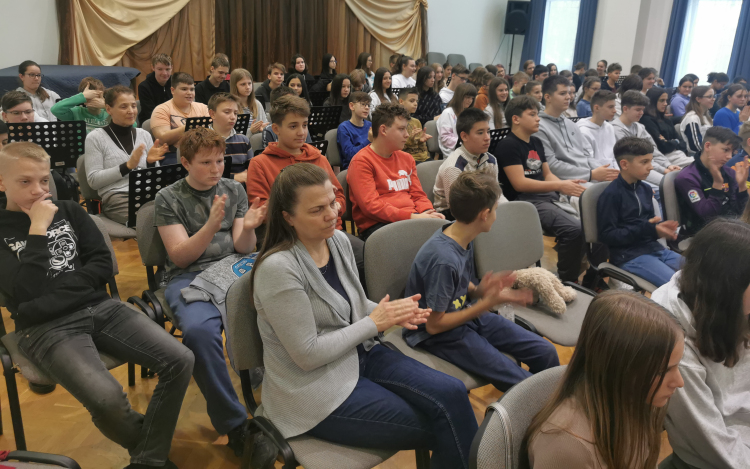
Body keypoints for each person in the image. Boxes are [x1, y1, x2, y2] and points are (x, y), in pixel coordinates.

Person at [250, 162, 478, 469]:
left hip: (358, 354)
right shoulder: (278, 269)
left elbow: (354, 305)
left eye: (332, 202)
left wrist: (392, 313)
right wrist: (375, 321)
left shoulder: (337, 241)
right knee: (442, 421)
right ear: (288, 217)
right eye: (317, 210)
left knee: (453, 394)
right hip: (311, 389)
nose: (332, 214)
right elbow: (307, 355)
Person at [0, 141, 194, 469]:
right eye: (25, 181)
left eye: (44, 180)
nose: (38, 190)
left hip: (101, 308)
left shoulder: (70, 210)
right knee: (107, 400)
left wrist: (50, 294)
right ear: (2, 182)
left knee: (181, 359)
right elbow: (23, 289)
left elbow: (102, 264)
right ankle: (153, 453)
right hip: (44, 328)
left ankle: (147, 459)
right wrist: (37, 229)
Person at [156, 127, 266, 456]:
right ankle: (233, 424)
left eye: (220, 161)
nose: (216, 169)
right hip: (188, 276)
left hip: (234, 267)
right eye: (206, 162)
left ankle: (293, 388)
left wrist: (249, 228)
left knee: (287, 296)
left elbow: (243, 248)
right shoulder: (168, 198)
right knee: (199, 333)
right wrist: (209, 226)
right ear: (186, 163)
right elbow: (180, 257)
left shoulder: (234, 189)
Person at [408, 170, 559, 390]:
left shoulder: (461, 235)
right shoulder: (444, 259)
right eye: (496, 209)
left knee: (546, 352)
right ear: (485, 214)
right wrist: (484, 304)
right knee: (522, 383)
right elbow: (433, 326)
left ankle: (542, 403)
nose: (496, 215)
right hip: (439, 334)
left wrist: (479, 290)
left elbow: (457, 282)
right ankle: (531, 406)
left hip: (463, 314)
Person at [525, 290, 684, 469]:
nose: (679, 382)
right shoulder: (566, 446)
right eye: (663, 371)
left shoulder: (639, 402)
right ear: (619, 369)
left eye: (677, 366)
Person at [651, 218, 750, 468]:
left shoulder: (727, 305)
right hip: (718, 454)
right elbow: (713, 443)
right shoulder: (678, 350)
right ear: (727, 291)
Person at [496, 95, 588, 283]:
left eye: (537, 114)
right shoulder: (508, 145)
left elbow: (547, 174)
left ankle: (591, 276)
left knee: (594, 221)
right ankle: (567, 281)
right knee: (574, 230)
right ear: (516, 119)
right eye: (532, 115)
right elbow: (520, 184)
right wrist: (560, 185)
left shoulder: (536, 142)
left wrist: (566, 187)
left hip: (547, 197)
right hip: (525, 201)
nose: (538, 119)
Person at [347, 102, 444, 241]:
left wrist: (428, 212)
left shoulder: (407, 158)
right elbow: (372, 207)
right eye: (401, 129)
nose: (407, 135)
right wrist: (413, 217)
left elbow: (418, 195)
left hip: (412, 219)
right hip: (379, 226)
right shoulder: (361, 162)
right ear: (383, 130)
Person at [597, 137, 683, 287]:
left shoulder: (645, 189)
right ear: (624, 164)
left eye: (650, 161)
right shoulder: (611, 195)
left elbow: (647, 226)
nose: (651, 167)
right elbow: (607, 235)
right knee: (677, 287)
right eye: (644, 162)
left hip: (654, 249)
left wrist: (658, 230)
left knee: (700, 273)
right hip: (629, 255)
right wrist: (648, 228)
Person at [84, 86, 168, 226]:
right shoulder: (95, 138)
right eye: (124, 106)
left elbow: (156, 179)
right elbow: (93, 180)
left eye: (133, 106)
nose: (131, 111)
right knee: (153, 223)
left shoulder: (144, 134)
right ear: (109, 109)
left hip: (148, 193)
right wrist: (127, 166)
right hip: (118, 197)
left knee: (176, 216)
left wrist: (150, 164)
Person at [537, 76, 618, 183]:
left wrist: (606, 172)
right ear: (548, 97)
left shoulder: (571, 124)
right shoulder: (539, 127)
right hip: (567, 182)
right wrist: (591, 175)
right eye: (562, 93)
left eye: (569, 93)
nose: (568, 97)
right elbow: (551, 165)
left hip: (587, 177)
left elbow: (586, 156)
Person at [674, 126, 747, 237]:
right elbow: (707, 217)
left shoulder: (729, 172)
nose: (729, 156)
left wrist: (742, 188)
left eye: (732, 152)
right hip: (705, 234)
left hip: (731, 226)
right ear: (708, 146)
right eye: (726, 150)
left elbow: (739, 210)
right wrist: (717, 185)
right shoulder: (687, 177)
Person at [433, 108, 498, 218]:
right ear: (464, 136)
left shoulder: (491, 160)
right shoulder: (454, 167)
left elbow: (495, 195)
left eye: (488, 131)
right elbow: (457, 208)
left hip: (482, 208)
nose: (487, 138)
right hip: (452, 215)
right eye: (480, 133)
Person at [613, 90, 682, 178]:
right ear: (625, 109)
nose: (641, 113)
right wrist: (663, 170)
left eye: (642, 109)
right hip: (633, 171)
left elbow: (653, 150)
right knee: (667, 182)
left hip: (649, 166)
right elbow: (636, 158)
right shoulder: (616, 129)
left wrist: (668, 165)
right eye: (638, 110)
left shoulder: (640, 127)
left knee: (677, 177)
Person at [150, 72, 210, 164]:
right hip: (171, 156)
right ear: (173, 90)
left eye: (192, 89)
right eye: (184, 89)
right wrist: (190, 126)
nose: (189, 93)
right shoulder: (161, 109)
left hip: (201, 152)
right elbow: (162, 139)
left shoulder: (203, 108)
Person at [207, 93, 252, 183]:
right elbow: (201, 174)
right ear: (212, 114)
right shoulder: (202, 141)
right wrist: (232, 178)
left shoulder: (244, 140)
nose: (233, 117)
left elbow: (251, 169)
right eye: (227, 112)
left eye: (235, 113)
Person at [642, 87, 691, 165]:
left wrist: (672, 142)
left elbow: (682, 143)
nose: (666, 104)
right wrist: (676, 141)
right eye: (662, 100)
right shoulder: (647, 120)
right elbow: (662, 146)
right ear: (652, 101)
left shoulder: (666, 119)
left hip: (678, 154)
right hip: (663, 158)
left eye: (666, 100)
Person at [577, 90, 619, 171]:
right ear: (596, 108)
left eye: (614, 107)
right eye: (610, 107)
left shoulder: (609, 127)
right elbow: (589, 162)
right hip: (596, 174)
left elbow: (614, 156)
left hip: (613, 173)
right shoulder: (583, 131)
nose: (615, 110)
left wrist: (618, 172)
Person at [436, 83, 477, 158]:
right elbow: (445, 138)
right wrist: (466, 143)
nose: (470, 101)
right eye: (468, 97)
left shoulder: (470, 113)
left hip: (469, 150)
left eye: (472, 98)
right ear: (459, 97)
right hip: (453, 154)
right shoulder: (448, 113)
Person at [336, 91, 372, 170]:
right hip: (354, 167)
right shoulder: (344, 128)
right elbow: (350, 155)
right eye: (363, 104)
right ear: (352, 106)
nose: (367, 108)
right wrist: (369, 140)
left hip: (371, 163)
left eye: (368, 105)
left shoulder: (370, 125)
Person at [229, 68, 269, 136]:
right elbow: (230, 133)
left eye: (249, 83)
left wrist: (263, 127)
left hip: (257, 137)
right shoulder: (230, 105)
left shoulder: (257, 103)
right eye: (243, 84)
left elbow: (265, 123)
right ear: (235, 86)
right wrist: (250, 131)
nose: (248, 87)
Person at [137, 54, 173, 127]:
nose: (164, 73)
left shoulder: (176, 83)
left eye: (167, 69)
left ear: (172, 68)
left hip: (173, 120)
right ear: (153, 67)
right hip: (151, 122)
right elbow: (150, 113)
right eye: (160, 69)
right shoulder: (144, 87)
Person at [399, 87, 432, 164]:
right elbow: (396, 149)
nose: (415, 104)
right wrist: (410, 139)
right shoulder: (396, 122)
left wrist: (420, 141)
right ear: (401, 101)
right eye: (412, 101)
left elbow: (422, 148)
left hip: (424, 159)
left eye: (417, 101)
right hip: (408, 160)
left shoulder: (416, 121)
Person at [680, 85, 715, 156]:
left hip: (707, 152)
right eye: (709, 97)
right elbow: (696, 146)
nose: (713, 99)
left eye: (713, 96)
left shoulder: (706, 116)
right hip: (697, 155)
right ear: (698, 99)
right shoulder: (692, 118)